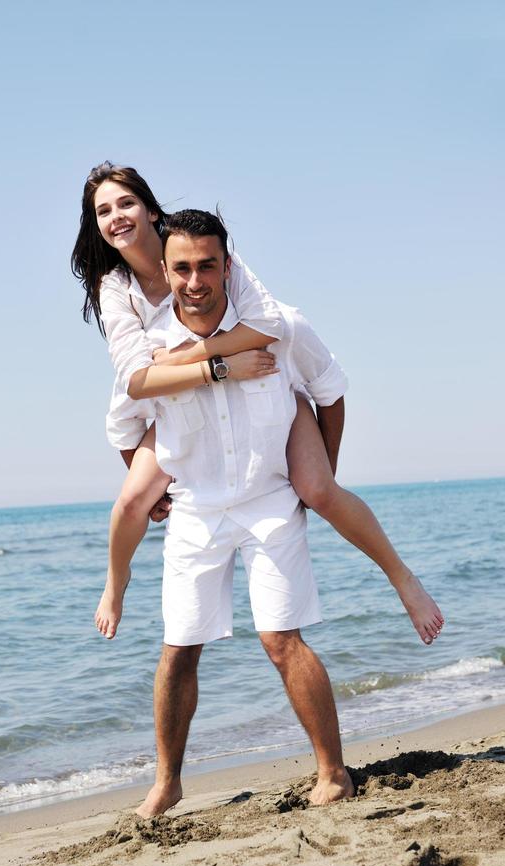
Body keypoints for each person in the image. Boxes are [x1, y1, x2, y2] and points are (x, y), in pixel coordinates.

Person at [71, 162, 444, 647]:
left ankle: (403, 579)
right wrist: (207, 372)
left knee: (319, 490)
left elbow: (268, 324)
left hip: (254, 388)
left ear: (149, 208)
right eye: (103, 210)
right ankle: (115, 585)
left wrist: (197, 354)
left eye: (126, 203)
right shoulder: (116, 287)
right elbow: (138, 381)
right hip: (180, 400)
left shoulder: (199, 243)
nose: (117, 216)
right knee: (130, 500)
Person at [132, 208, 356, 813]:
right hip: (195, 512)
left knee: (281, 638)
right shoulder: (151, 349)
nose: (195, 280)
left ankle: (332, 772)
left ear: (228, 266)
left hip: (269, 503)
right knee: (179, 646)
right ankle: (167, 782)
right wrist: (149, 490)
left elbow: (331, 392)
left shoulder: (281, 325)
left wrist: (321, 474)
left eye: (208, 265)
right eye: (182, 268)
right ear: (166, 269)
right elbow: (122, 420)